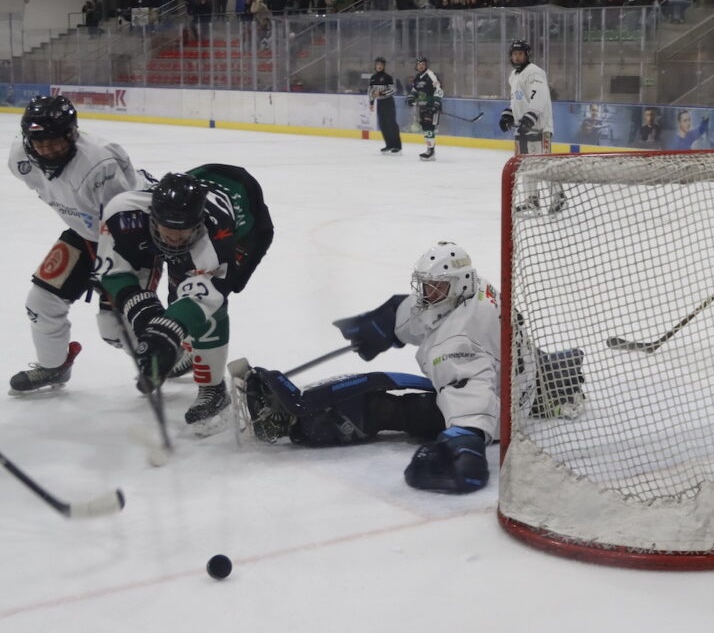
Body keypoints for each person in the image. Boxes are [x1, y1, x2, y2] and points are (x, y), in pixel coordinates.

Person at [241, 243, 499, 493]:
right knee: (383, 383)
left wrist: (463, 448)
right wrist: (384, 323)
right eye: (425, 285)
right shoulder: (473, 290)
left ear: (460, 283)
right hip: (515, 376)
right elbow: (424, 312)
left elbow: (471, 403)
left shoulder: (456, 344)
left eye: (435, 288)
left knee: (386, 407)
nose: (426, 293)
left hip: (498, 406)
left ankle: (296, 423)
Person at [96, 166, 274, 433]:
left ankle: (213, 390)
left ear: (198, 222)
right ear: (152, 215)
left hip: (249, 228)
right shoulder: (124, 211)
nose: (175, 238)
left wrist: (167, 329)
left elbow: (206, 295)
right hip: (206, 178)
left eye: (184, 230)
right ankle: (183, 350)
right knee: (175, 299)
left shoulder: (215, 232)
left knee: (208, 305)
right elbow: (112, 269)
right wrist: (144, 313)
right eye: (167, 228)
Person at [7, 96, 154, 395]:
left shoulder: (99, 164)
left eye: (54, 142)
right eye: (39, 143)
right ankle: (54, 365)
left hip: (133, 234)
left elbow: (123, 220)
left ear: (71, 134)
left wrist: (106, 272)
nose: (46, 150)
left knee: (115, 328)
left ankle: (172, 354)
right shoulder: (20, 158)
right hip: (86, 231)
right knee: (42, 302)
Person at [499, 40, 562, 213]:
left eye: (520, 53)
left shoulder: (535, 72)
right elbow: (518, 100)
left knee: (543, 165)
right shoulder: (514, 76)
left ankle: (558, 197)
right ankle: (532, 199)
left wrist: (531, 115)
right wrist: (509, 114)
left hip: (540, 128)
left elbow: (539, 96)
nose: (517, 57)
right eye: (514, 54)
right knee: (524, 165)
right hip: (523, 129)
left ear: (527, 55)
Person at [405, 57, 444, 161]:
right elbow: (415, 90)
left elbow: (439, 89)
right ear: (416, 66)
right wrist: (411, 97)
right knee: (425, 128)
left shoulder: (430, 75)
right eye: (419, 64)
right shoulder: (417, 77)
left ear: (426, 65)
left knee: (429, 127)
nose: (421, 65)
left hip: (432, 107)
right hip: (423, 107)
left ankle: (431, 152)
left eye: (423, 64)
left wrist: (436, 103)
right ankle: (429, 150)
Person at [367, 57, 402, 154]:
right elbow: (371, 91)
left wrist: (381, 94)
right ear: (375, 65)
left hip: (388, 102)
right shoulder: (373, 78)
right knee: (383, 124)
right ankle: (389, 145)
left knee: (391, 124)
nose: (379, 66)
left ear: (384, 66)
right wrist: (371, 103)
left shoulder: (387, 77)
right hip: (380, 104)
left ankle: (397, 146)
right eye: (378, 64)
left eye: (381, 65)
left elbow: (393, 90)